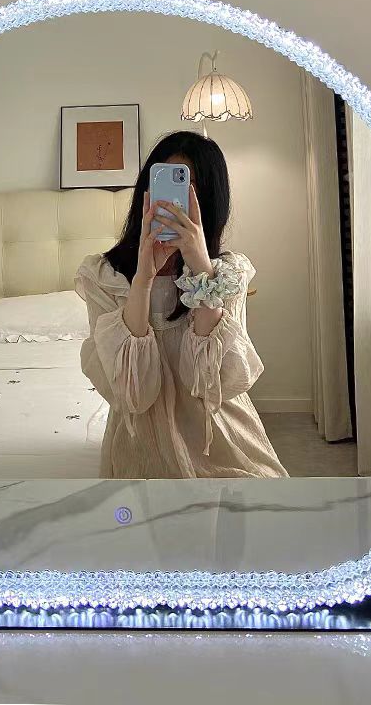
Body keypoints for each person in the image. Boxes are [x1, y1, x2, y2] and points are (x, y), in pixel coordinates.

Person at [74, 130, 289, 479]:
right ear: (146, 194)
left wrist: (202, 269)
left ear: (209, 202)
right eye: (167, 191)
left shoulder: (228, 274)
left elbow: (210, 386)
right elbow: (133, 395)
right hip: (141, 445)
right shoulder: (103, 276)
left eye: (189, 194)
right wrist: (143, 278)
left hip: (219, 436)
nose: (174, 207)